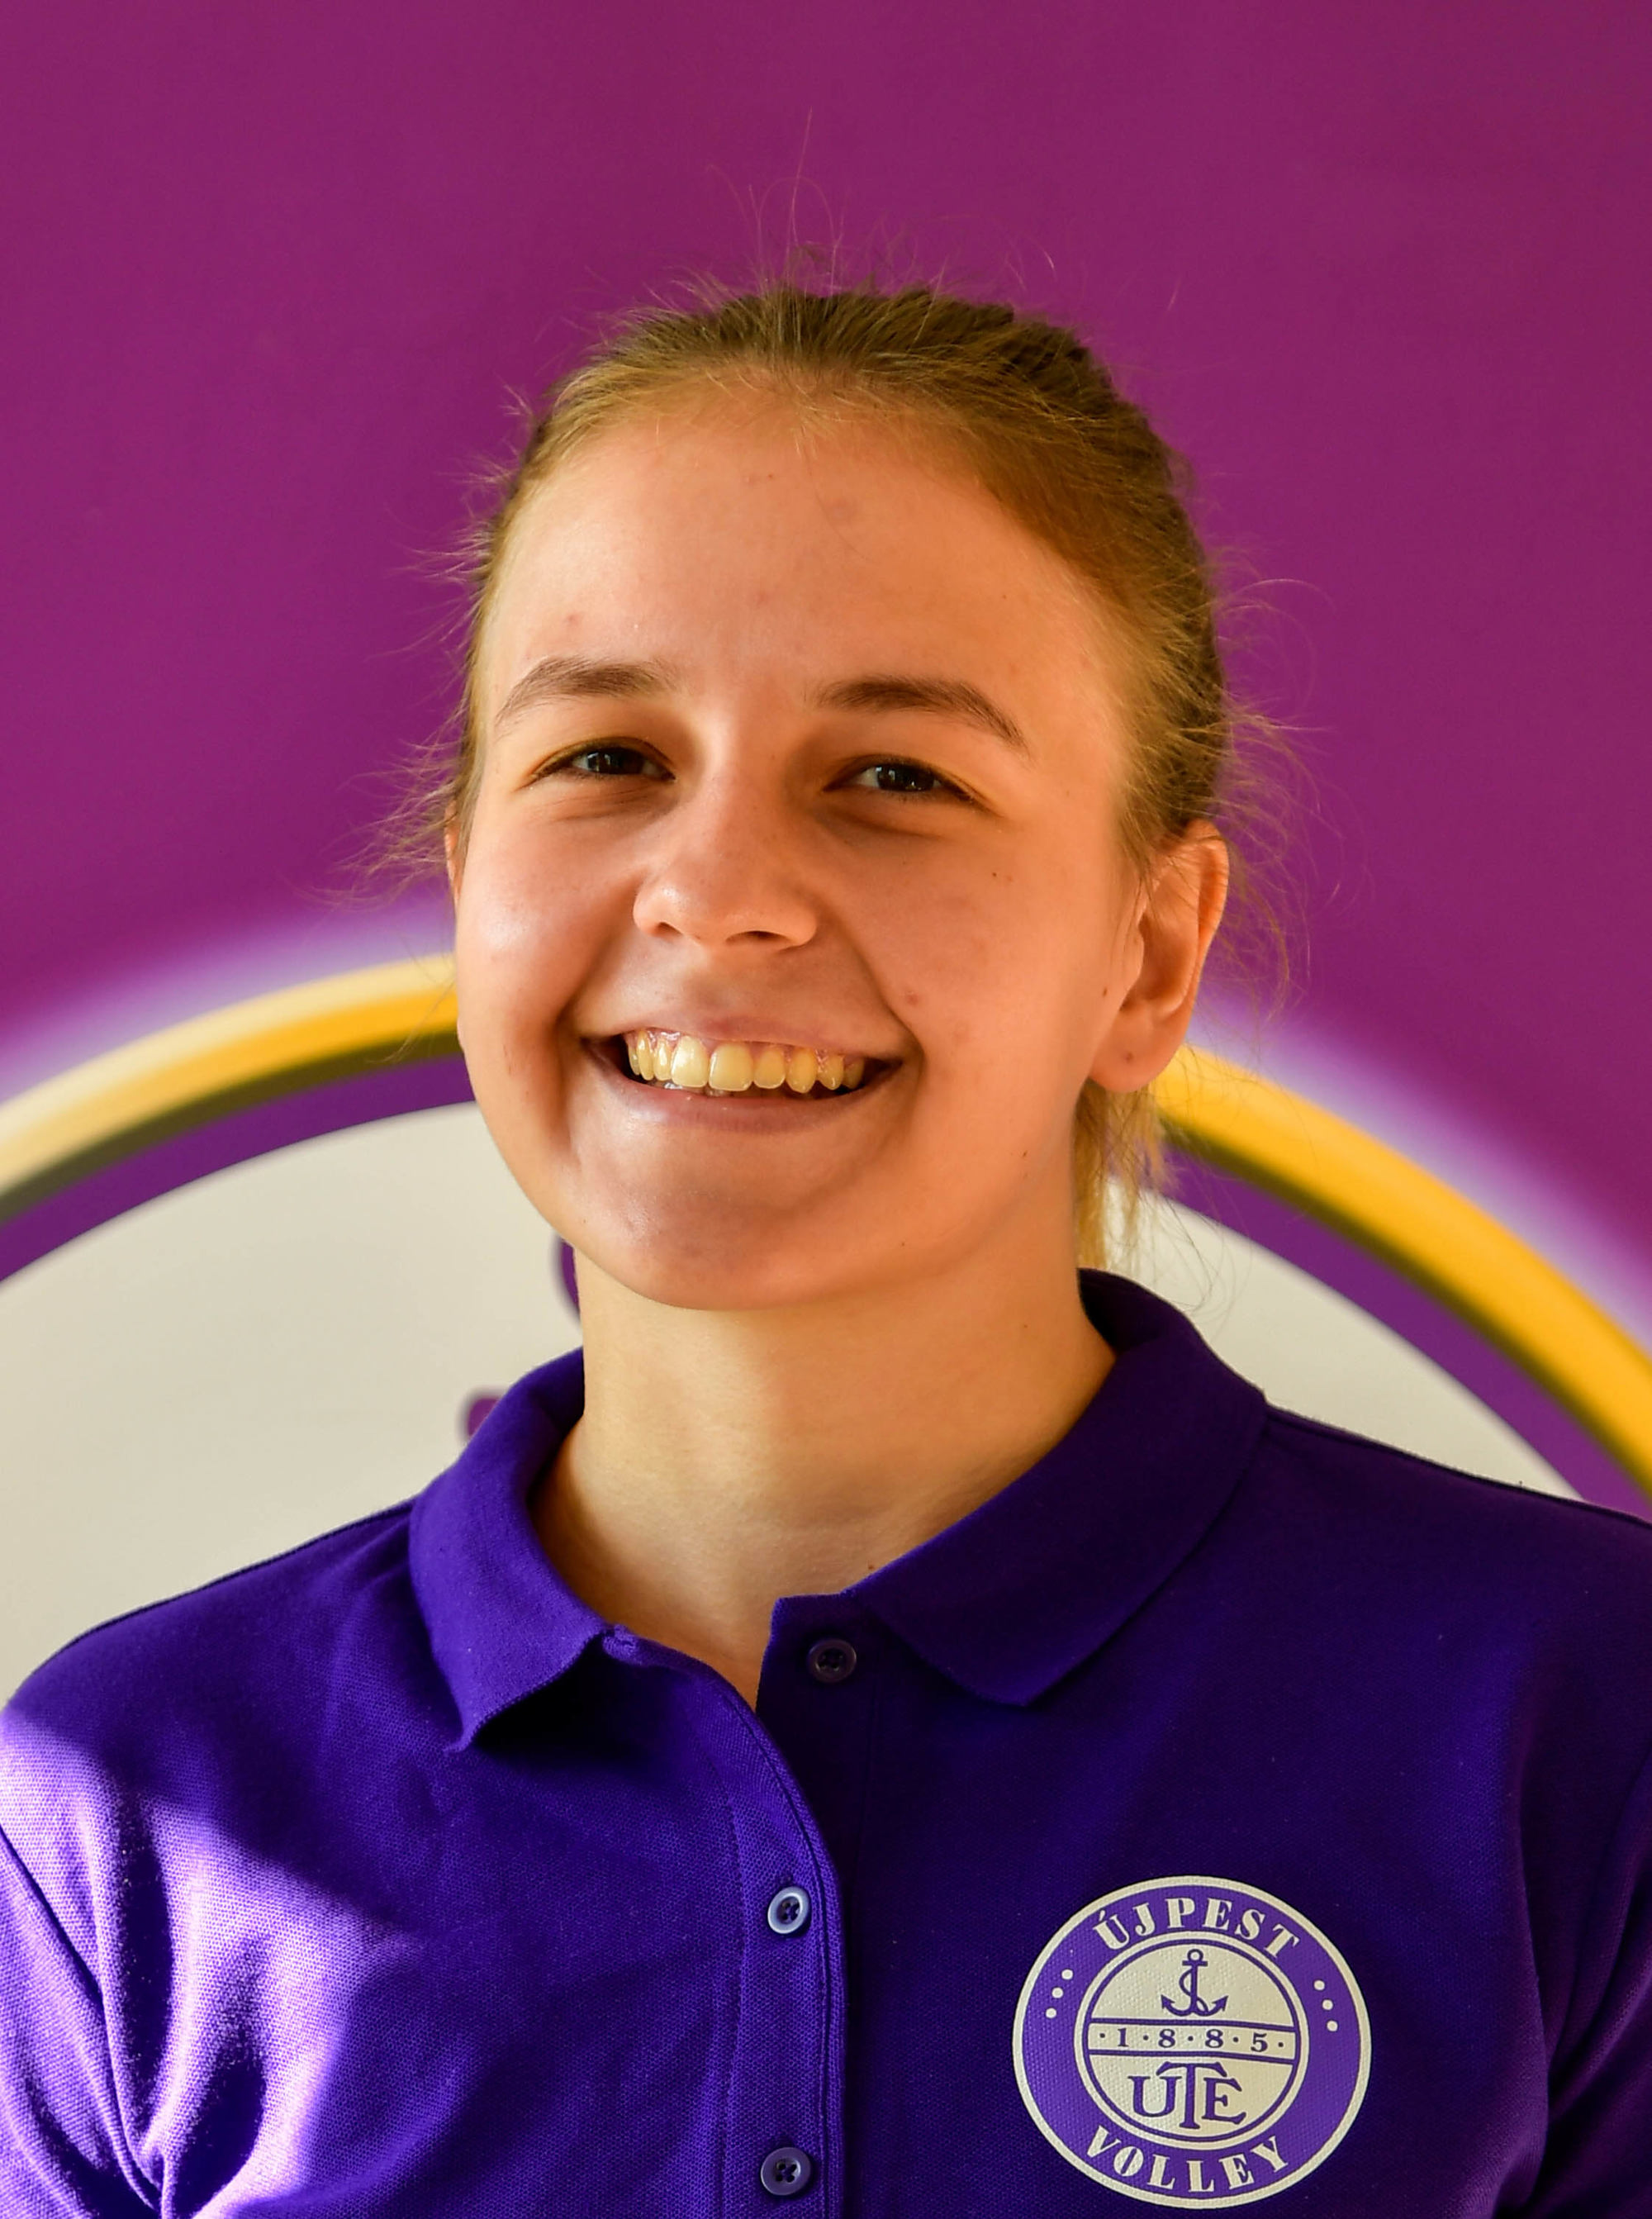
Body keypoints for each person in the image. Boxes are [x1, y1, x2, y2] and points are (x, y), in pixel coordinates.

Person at [2, 282, 1650, 2217]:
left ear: (1148, 953)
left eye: (894, 777)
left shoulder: (1584, 1718)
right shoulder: (126, 1801)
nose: (714, 894)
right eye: (607, 756)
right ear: (465, 879)